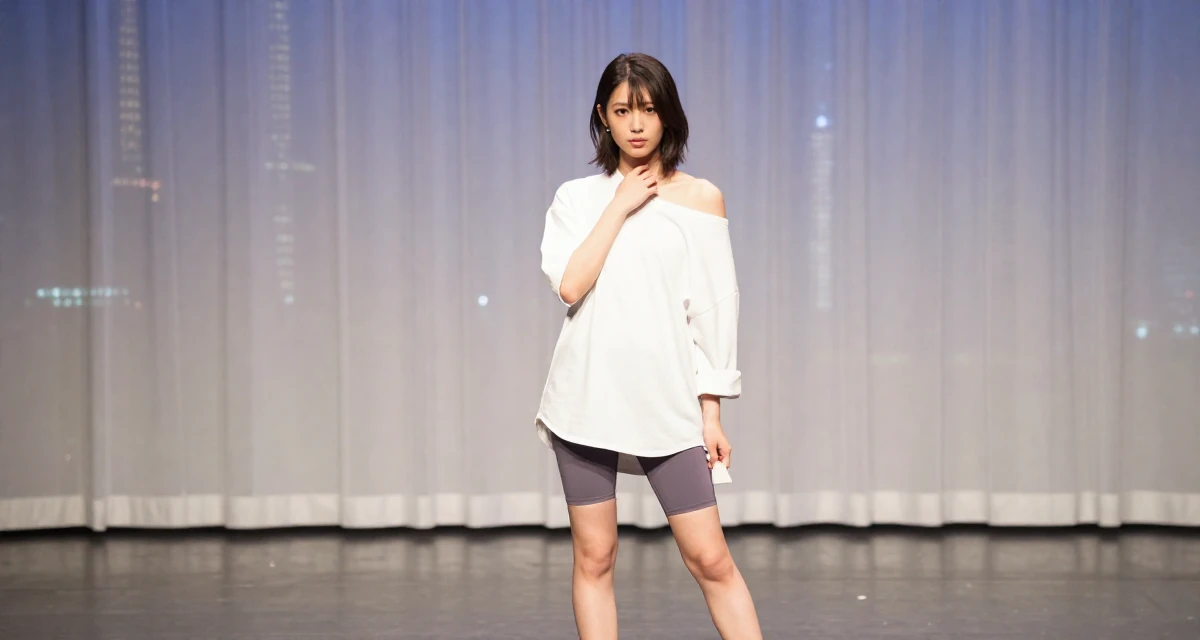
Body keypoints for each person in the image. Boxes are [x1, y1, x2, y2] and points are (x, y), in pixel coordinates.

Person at [534, 52, 764, 640]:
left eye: (649, 110)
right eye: (622, 111)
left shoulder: (701, 198)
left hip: (668, 401)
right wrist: (619, 205)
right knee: (596, 557)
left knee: (710, 559)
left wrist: (711, 411)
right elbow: (571, 285)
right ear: (602, 119)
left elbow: (714, 310)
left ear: (668, 117)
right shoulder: (576, 199)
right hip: (585, 400)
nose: (636, 125)